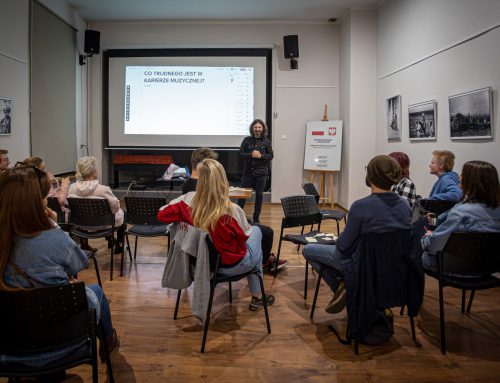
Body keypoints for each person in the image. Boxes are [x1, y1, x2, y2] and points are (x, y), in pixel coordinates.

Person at [0, 164, 118, 375]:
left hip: (9, 351)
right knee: (97, 293)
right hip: (65, 345)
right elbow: (80, 263)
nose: (47, 200)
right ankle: (109, 341)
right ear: (34, 202)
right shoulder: (52, 238)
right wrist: (54, 227)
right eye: (45, 196)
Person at [158, 159, 275, 311]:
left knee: (256, 237)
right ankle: (258, 296)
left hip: (199, 264)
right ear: (222, 180)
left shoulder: (185, 201)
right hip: (230, 266)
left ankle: (258, 294)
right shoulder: (231, 210)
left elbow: (161, 214)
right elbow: (244, 237)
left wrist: (184, 221)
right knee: (257, 234)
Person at [302, 155, 411, 313]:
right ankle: (348, 287)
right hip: (392, 266)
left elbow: (343, 245)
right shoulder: (404, 204)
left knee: (308, 250)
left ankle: (348, 290)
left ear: (371, 176)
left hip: (360, 263)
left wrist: (336, 240)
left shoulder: (361, 206)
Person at [422, 160, 500, 274]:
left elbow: (434, 247)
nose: (459, 176)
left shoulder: (461, 213)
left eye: (462, 173)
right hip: (488, 269)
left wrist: (427, 238)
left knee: (414, 249)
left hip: (457, 267)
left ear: (471, 181)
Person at [68, 156, 126, 253]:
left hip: (81, 226)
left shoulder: (72, 188)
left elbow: (70, 207)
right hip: (104, 225)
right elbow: (115, 208)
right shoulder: (103, 189)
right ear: (95, 171)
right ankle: (119, 245)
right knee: (122, 213)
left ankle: (84, 244)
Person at [237, 119, 273, 224]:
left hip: (261, 173)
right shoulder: (247, 140)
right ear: (252, 128)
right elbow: (240, 154)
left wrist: (261, 156)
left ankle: (256, 218)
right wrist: (251, 154)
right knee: (242, 195)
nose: (257, 129)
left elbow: (271, 156)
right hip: (248, 173)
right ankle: (238, 216)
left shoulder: (266, 141)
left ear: (263, 129)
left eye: (259, 127)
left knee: (259, 195)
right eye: (255, 127)